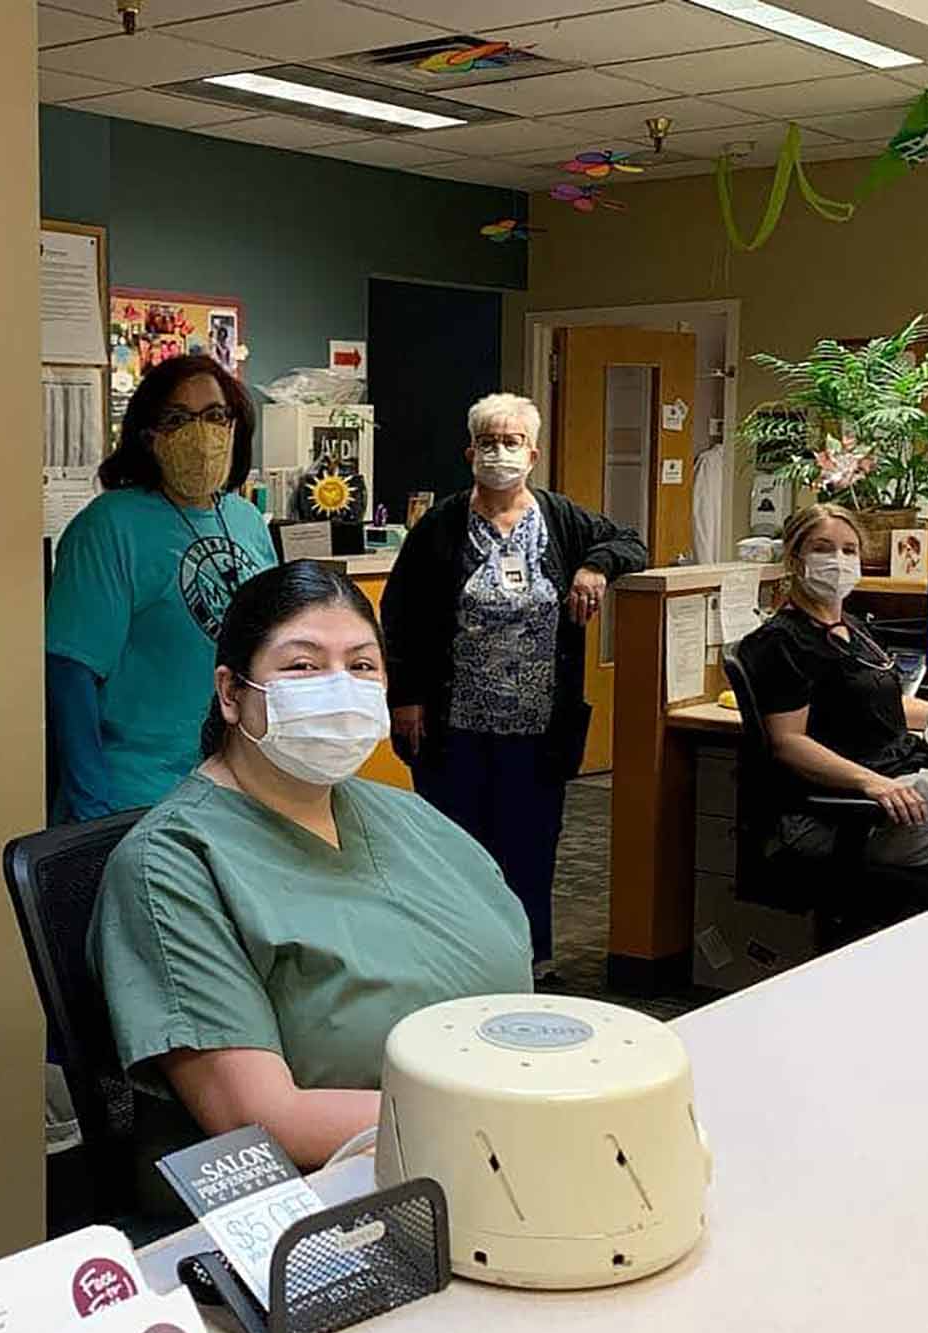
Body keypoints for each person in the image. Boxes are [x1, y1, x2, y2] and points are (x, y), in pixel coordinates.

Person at [91, 561, 531, 1168]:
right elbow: (260, 1120)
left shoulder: (408, 818)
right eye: (302, 665)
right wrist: (510, 1114)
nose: (338, 687)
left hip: (505, 1149)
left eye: (361, 665)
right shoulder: (171, 865)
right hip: (335, 1190)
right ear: (230, 693)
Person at [380, 392, 648, 976]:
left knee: (530, 843)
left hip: (537, 724)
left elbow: (631, 541)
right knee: (454, 846)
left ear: (533, 452)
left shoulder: (561, 519)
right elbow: (401, 616)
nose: (500, 452)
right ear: (469, 450)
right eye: (489, 441)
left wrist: (594, 566)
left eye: (512, 442)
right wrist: (405, 697)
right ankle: (457, 953)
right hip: (455, 724)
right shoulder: (441, 528)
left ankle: (532, 957)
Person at [46, 354, 278, 823]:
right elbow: (70, 675)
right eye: (178, 419)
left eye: (215, 415)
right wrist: (93, 810)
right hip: (138, 792)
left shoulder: (246, 520)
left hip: (236, 787)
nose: (202, 434)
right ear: (149, 436)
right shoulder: (109, 527)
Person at [737, 503, 928, 866]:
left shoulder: (853, 628)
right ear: (795, 559)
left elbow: (890, 701)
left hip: (901, 777)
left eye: (849, 550)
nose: (838, 560)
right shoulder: (780, 642)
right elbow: (788, 742)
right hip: (853, 811)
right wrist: (873, 784)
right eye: (822, 548)